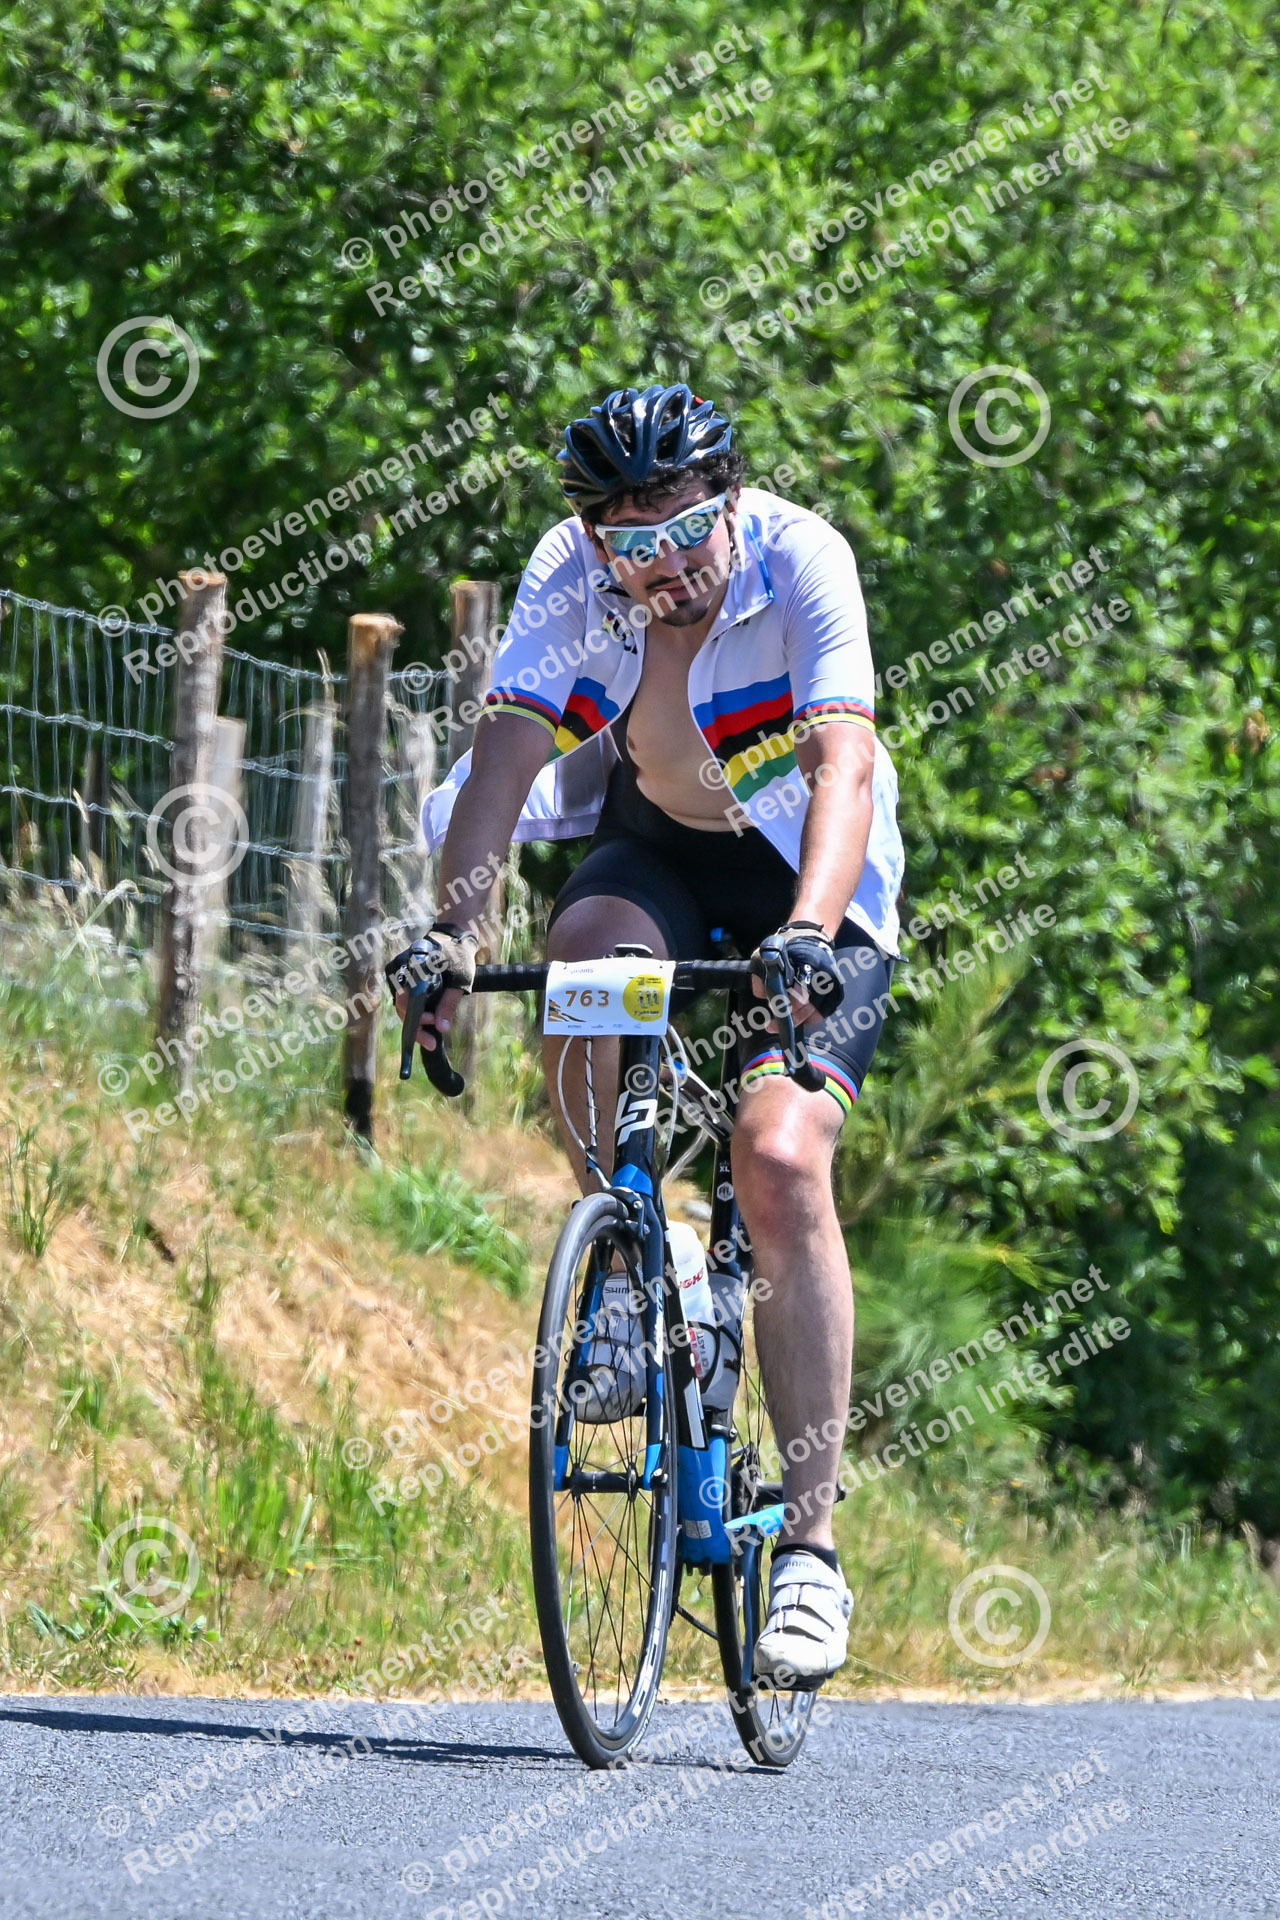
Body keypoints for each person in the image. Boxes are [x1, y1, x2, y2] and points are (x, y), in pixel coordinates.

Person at [390, 384, 904, 1688]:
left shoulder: (804, 557)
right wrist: (450, 938)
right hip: (660, 849)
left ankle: (812, 1552)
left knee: (776, 1157)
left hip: (807, 873)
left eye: (682, 531)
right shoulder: (570, 574)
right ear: (594, 538)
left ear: (729, 500)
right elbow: (508, 749)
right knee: (581, 966)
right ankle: (627, 1259)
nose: (662, 567)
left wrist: (809, 931)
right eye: (631, 544)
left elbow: (843, 764)